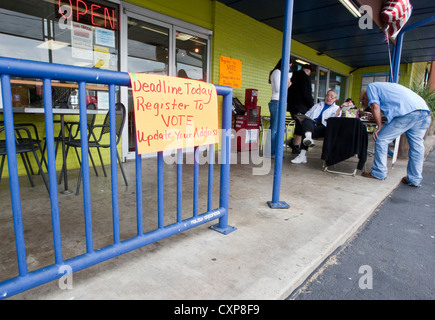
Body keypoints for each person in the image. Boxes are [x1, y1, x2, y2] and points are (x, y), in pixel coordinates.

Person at [360, 82, 431, 187]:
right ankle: (414, 179)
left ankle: (379, 172)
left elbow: (375, 106)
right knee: (417, 147)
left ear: (365, 96)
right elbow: (395, 116)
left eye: (364, 102)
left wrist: (379, 127)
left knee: (381, 139)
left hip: (408, 113)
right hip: (423, 112)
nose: (366, 105)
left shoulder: (371, 87)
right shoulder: (388, 90)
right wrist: (381, 119)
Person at [291, 90, 341, 164]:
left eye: (331, 96)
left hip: (323, 128)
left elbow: (334, 120)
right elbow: (308, 114)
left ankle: (302, 155)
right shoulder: (318, 105)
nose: (328, 98)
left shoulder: (337, 109)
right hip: (311, 126)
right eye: (327, 95)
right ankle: (308, 138)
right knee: (307, 122)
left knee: (306, 130)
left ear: (335, 98)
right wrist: (301, 118)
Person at [267, 58, 292, 157]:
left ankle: (275, 151)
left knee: (277, 129)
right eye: (288, 65)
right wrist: (287, 84)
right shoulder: (277, 72)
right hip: (276, 102)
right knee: (274, 129)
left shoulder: (279, 72)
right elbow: (278, 89)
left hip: (279, 102)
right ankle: (271, 152)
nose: (289, 68)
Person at [287, 63, 314, 154]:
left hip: (292, 107)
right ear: (308, 71)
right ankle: (295, 146)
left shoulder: (293, 76)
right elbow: (307, 94)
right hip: (301, 107)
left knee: (299, 124)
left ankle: (293, 143)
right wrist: (311, 104)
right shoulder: (305, 79)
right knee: (302, 124)